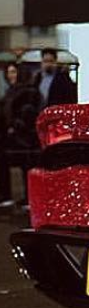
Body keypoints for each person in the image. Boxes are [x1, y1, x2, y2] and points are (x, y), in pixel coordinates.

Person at [0, 63, 20, 208]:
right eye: (9, 72)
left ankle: (7, 196)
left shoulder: (19, 91)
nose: (11, 75)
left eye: (13, 72)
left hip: (13, 132)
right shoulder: (8, 91)